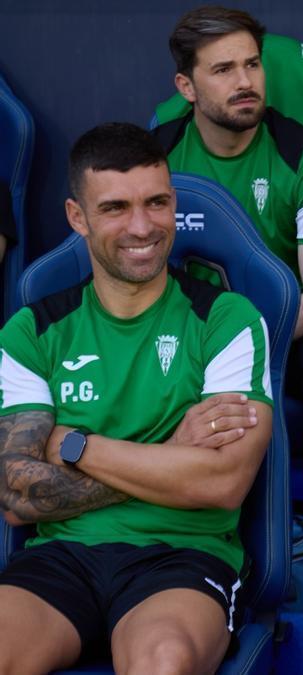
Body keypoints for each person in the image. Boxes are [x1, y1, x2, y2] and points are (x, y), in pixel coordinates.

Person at [0, 122, 272, 672]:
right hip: (60, 559)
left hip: (182, 559)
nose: (142, 226)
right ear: (78, 217)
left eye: (157, 202)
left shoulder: (225, 318)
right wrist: (172, 451)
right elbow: (17, 497)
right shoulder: (33, 330)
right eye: (116, 208)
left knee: (162, 663)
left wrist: (75, 445)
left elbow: (221, 481)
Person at [155, 6, 303, 612]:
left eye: (253, 65)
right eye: (224, 69)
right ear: (186, 87)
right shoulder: (156, 158)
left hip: (283, 326)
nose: (245, 82)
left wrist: (248, 343)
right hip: (187, 331)